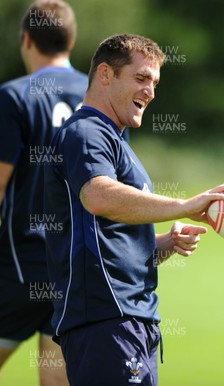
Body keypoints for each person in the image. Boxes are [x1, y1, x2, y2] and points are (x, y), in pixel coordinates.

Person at [43, 33, 224, 386]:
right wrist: (183, 205)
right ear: (105, 74)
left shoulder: (115, 139)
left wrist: (162, 244)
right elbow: (99, 197)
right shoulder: (87, 132)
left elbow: (108, 234)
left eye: (154, 82)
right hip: (107, 318)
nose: (150, 91)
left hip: (129, 318)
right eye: (140, 78)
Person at [0, 1, 86, 384]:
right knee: (56, 380)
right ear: (71, 39)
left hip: (17, 264)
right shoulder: (100, 93)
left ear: (26, 39)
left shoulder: (13, 96)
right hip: (75, 265)